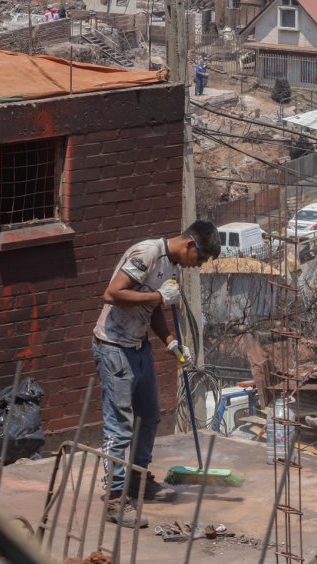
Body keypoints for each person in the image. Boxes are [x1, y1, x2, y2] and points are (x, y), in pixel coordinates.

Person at [93, 221, 221, 527]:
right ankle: (114, 498)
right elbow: (111, 294)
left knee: (149, 416)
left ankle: (136, 480)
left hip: (138, 347)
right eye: (199, 259)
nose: (197, 266)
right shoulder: (147, 253)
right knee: (119, 426)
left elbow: (155, 310)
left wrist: (170, 341)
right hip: (113, 347)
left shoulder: (173, 266)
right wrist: (159, 298)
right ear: (191, 244)